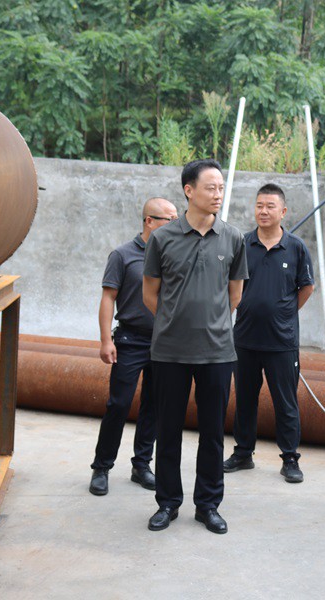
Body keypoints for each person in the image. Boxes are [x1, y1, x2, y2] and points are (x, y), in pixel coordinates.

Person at [142, 159, 248, 535]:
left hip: (218, 352)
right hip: (169, 351)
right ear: (189, 190)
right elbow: (150, 293)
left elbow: (235, 294)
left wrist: (210, 322)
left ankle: (208, 505)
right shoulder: (163, 238)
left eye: (220, 188)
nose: (217, 194)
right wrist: (176, 321)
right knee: (168, 429)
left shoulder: (233, 238)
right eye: (210, 187)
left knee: (213, 432)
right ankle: (168, 503)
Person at [223, 184, 315, 483]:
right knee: (245, 399)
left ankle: (290, 459)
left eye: (270, 206)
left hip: (281, 342)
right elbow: (233, 286)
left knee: (285, 402)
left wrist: (284, 312)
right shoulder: (242, 244)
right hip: (245, 339)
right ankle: (242, 453)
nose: (263, 211)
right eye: (259, 205)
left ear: (283, 211)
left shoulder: (296, 247)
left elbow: (306, 288)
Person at [89, 197, 179, 496]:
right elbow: (107, 298)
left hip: (164, 340)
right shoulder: (123, 255)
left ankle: (141, 466)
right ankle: (102, 467)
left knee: (154, 406)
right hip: (130, 340)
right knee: (119, 404)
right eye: (169, 219)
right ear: (149, 221)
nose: (175, 224)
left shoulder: (173, 255)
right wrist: (105, 339)